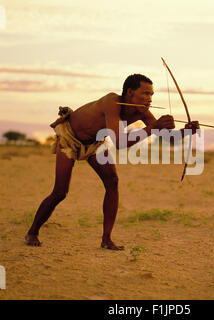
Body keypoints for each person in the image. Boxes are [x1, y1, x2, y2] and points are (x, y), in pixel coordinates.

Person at [25, 74, 199, 250]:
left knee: (112, 182)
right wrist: (154, 127)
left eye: (151, 95)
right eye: (145, 93)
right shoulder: (112, 102)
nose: (149, 99)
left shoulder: (142, 111)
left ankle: (106, 239)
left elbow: (167, 138)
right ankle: (32, 232)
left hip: (95, 143)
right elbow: (119, 142)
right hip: (70, 138)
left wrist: (186, 132)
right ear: (130, 93)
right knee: (60, 192)